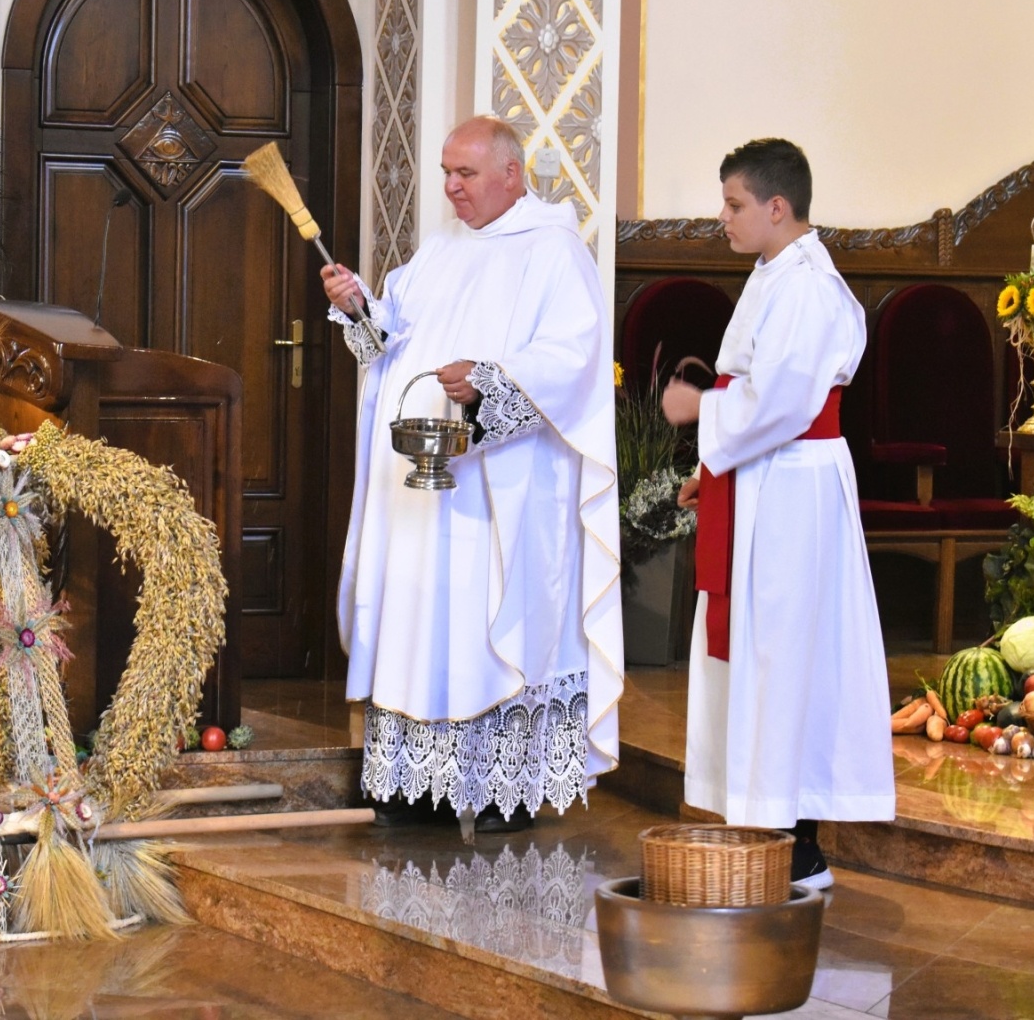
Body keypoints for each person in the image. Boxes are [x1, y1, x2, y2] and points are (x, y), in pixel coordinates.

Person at [321, 115, 621, 834]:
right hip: (420, 491)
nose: (452, 187)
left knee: (488, 625)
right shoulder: (441, 251)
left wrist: (489, 382)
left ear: (512, 174)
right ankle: (415, 783)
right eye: (447, 172)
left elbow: (572, 359)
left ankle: (501, 787)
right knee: (421, 622)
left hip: (503, 490)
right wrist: (363, 309)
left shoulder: (553, 251)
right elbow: (394, 342)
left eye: (467, 173)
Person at [661, 138, 894, 888]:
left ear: (777, 207)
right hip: (764, 481)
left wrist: (702, 409)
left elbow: (785, 403)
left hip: (793, 492)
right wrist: (713, 472)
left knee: (786, 654)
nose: (722, 218)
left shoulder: (808, 288)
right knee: (762, 654)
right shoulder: (773, 275)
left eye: (733, 205)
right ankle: (767, 827)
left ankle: (799, 846)